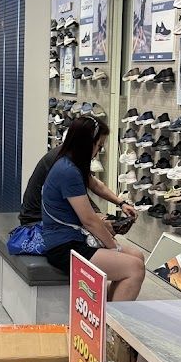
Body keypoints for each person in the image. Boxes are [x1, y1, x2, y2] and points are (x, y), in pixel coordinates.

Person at [41, 115, 145, 301]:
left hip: (74, 238)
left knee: (137, 256)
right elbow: (89, 220)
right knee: (134, 269)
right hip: (64, 247)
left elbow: (96, 185)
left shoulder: (71, 162)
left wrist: (121, 203)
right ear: (87, 143)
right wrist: (113, 247)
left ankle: (109, 309)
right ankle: (112, 319)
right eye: (99, 145)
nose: (99, 151)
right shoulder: (68, 171)